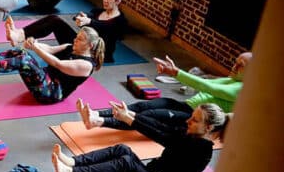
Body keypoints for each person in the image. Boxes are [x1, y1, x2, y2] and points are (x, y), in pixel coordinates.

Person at [53, 102, 230, 172]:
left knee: (126, 163)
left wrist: (131, 120)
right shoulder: (190, 134)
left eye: (195, 120)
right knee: (122, 150)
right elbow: (162, 127)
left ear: (208, 128)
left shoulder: (202, 150)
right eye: (191, 117)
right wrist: (131, 115)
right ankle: (73, 162)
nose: (188, 121)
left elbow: (162, 136)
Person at [81, 52, 252, 131]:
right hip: (187, 106)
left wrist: (177, 72)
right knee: (143, 106)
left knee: (148, 116)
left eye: (240, 65)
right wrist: (175, 73)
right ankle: (96, 113)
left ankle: (98, 121)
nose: (234, 66)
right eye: (235, 62)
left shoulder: (242, 89)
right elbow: (205, 82)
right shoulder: (233, 79)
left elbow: (208, 87)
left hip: (196, 118)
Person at [0, 26, 104, 104]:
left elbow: (57, 63)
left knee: (24, 61)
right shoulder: (70, 47)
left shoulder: (86, 65)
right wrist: (34, 43)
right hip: (45, 79)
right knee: (19, 51)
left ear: (90, 46)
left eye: (80, 39)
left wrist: (35, 48)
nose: (75, 40)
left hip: (51, 93)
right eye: (76, 37)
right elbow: (50, 49)